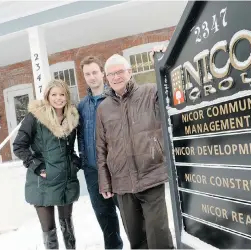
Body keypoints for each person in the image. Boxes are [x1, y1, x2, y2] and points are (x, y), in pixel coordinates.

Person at [95, 52, 174, 249]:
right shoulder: (103, 108)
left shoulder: (150, 92)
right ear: (106, 78)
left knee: (159, 236)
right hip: (121, 182)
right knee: (136, 239)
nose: (116, 77)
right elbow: (101, 147)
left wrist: (163, 59)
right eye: (111, 74)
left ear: (130, 72)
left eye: (120, 71)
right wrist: (105, 181)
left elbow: (170, 85)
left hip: (151, 174)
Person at [13, 79, 81, 249]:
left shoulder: (72, 117)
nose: (58, 98)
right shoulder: (35, 117)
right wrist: (37, 166)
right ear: (47, 96)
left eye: (62, 94)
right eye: (54, 94)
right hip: (42, 181)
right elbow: (19, 146)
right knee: (49, 231)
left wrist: (75, 162)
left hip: (66, 179)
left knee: (68, 226)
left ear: (67, 96)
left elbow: (70, 148)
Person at [77, 56, 123, 249]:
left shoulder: (115, 98)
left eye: (95, 72)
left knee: (129, 215)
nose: (92, 77)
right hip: (93, 171)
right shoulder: (81, 106)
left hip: (117, 168)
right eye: (87, 74)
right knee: (105, 218)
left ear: (102, 73)